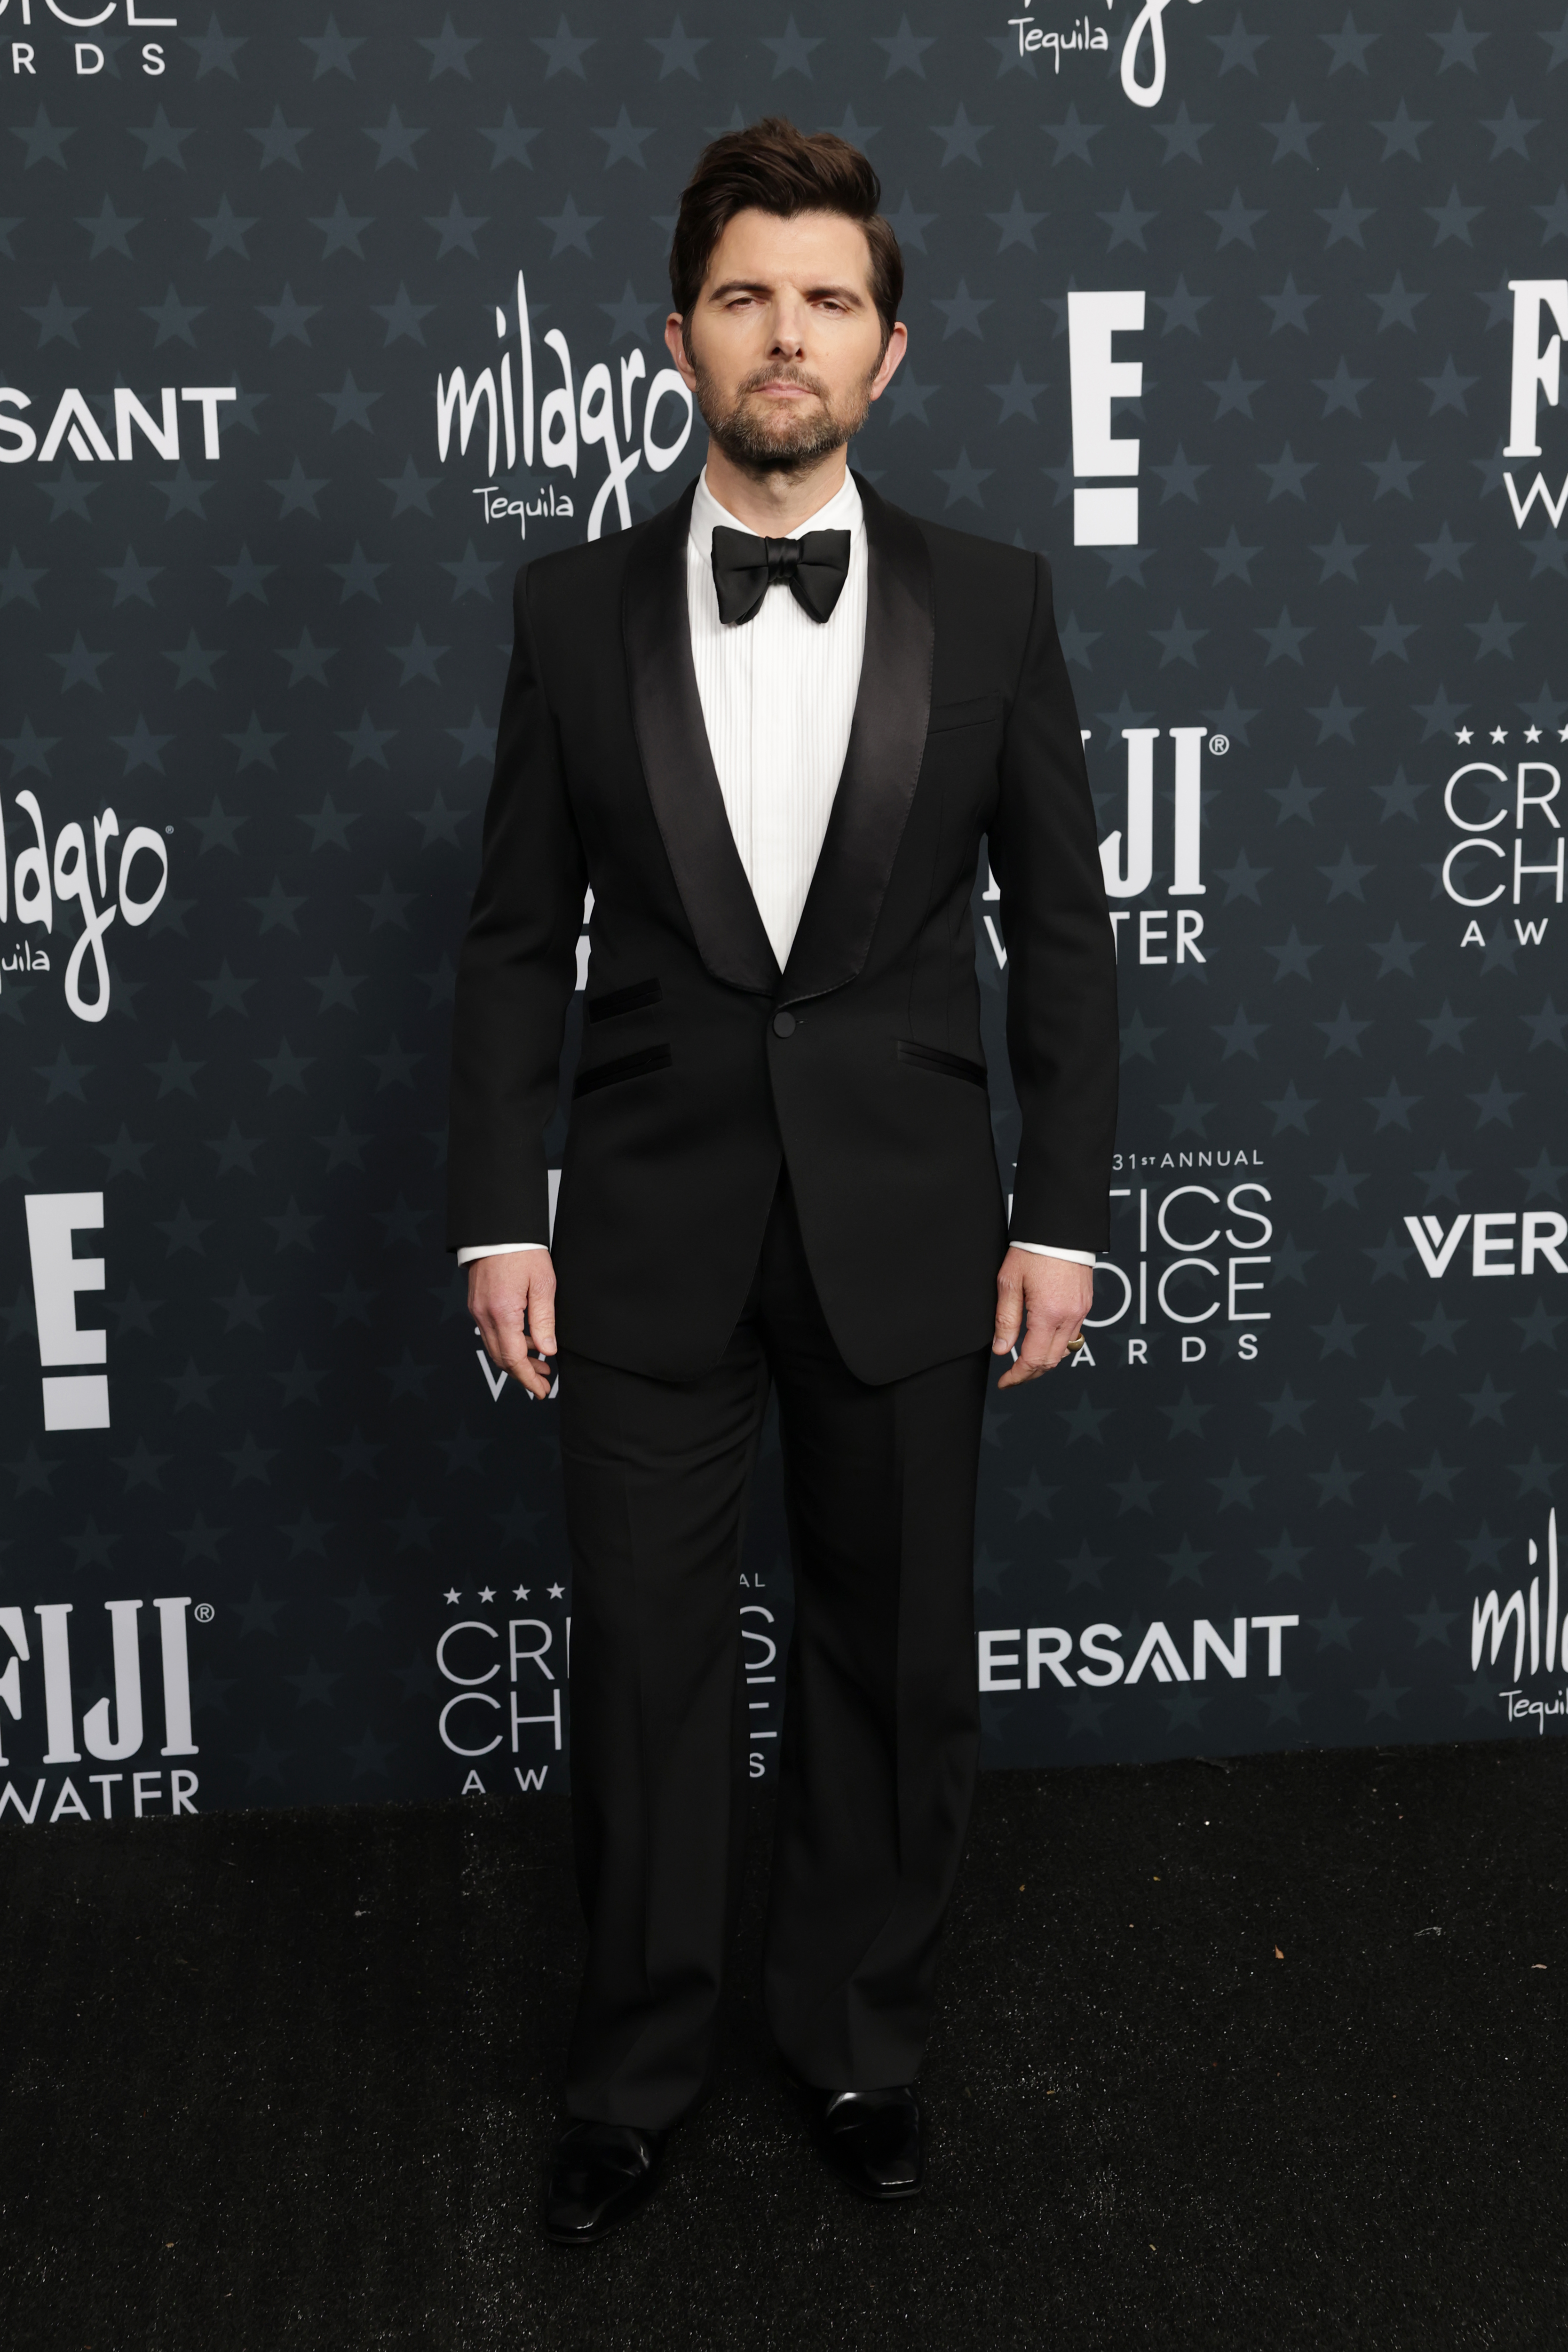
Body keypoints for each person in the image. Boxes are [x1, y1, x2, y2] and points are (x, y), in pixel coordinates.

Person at [447, 116, 1118, 2245]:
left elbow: (1069, 932)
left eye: (828, 297)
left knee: (892, 1652)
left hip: (915, 1217)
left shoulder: (996, 600)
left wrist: (1066, 1209)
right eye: (747, 294)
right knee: (645, 1668)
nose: (787, 334)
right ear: (676, 340)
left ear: (889, 352)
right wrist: (497, 1208)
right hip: (641, 1224)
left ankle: (854, 2038)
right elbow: (502, 940)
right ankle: (636, 2067)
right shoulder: (565, 614)